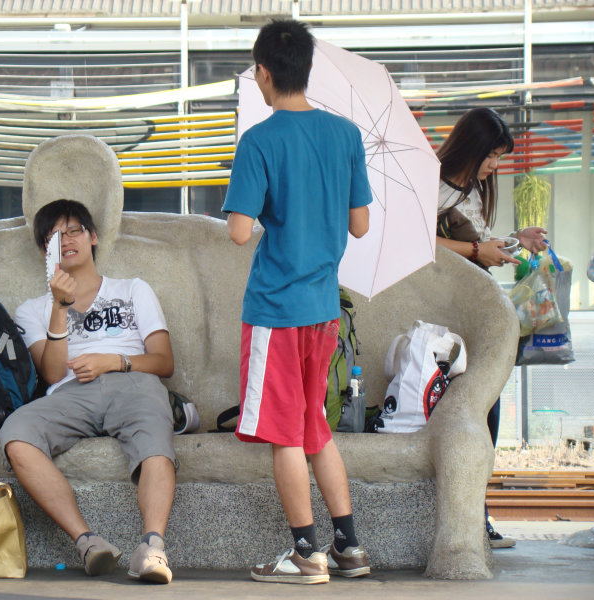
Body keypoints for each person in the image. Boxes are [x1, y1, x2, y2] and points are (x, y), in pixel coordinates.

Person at [222, 19, 373, 585]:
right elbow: (359, 225)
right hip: (323, 310)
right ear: (306, 70)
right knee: (315, 429)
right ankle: (349, 548)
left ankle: (306, 553)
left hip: (275, 313)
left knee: (284, 435)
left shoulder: (259, 141)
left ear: (263, 72)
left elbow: (239, 232)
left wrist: (264, 211)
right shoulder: (346, 135)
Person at [0, 199, 176, 583]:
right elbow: (49, 373)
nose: (65, 241)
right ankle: (88, 541)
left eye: (73, 230)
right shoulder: (33, 309)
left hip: (132, 382)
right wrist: (60, 309)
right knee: (16, 434)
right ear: (45, 252)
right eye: (52, 237)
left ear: (93, 237)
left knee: (155, 441)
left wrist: (114, 361)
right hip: (70, 394)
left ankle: (152, 548)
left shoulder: (132, 289)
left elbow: (163, 362)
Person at [435, 107, 547, 549]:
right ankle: (471, 516)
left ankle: (478, 512)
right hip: (448, 315)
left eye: (499, 157)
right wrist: (479, 249)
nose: (494, 166)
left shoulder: (474, 190)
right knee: (475, 412)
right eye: (492, 156)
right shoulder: (436, 186)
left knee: (488, 412)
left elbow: (480, 244)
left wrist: (518, 240)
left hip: (479, 309)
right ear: (472, 147)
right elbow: (425, 243)